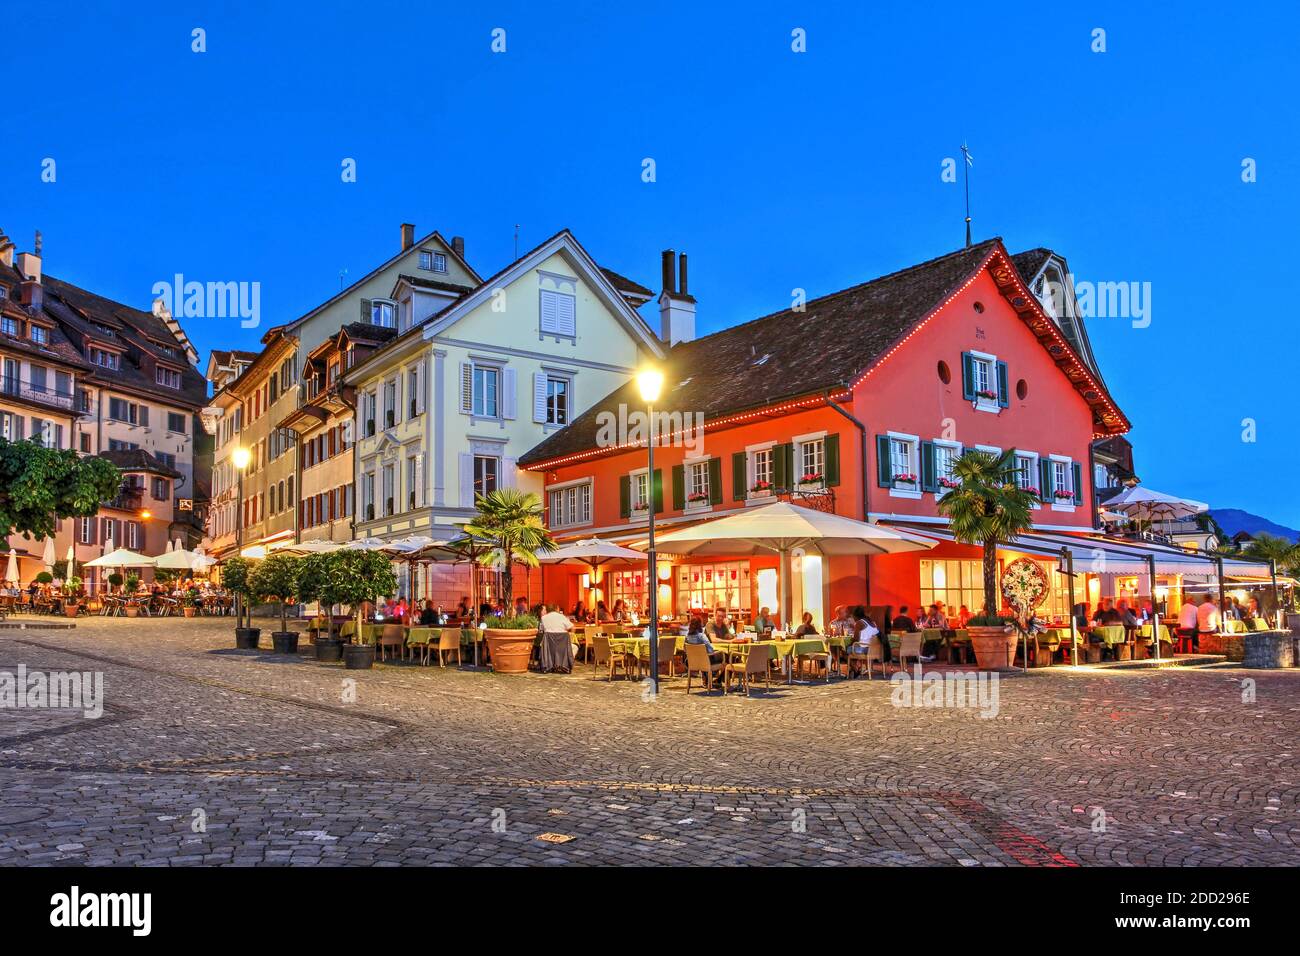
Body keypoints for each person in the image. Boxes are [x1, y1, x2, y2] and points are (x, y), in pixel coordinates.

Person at [685, 615, 724, 684]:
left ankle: (708, 677)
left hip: (691, 662)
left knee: (703, 656)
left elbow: (685, 649)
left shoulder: (687, 637)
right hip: (706, 661)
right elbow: (710, 650)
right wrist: (718, 652)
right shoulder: (701, 636)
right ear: (700, 624)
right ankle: (718, 680)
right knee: (725, 657)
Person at [539, 603, 577, 671]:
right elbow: (572, 627)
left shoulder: (543, 618)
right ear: (556, 609)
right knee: (575, 647)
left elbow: (541, 630)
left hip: (549, 646)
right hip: (562, 646)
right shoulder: (562, 617)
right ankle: (564, 665)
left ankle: (551, 664)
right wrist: (570, 635)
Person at [847, 605, 883, 677]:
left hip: (865, 649)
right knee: (851, 648)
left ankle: (855, 669)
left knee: (845, 649)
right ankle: (856, 668)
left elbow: (856, 639)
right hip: (874, 649)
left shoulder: (859, 623)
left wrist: (850, 643)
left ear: (855, 615)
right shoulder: (871, 622)